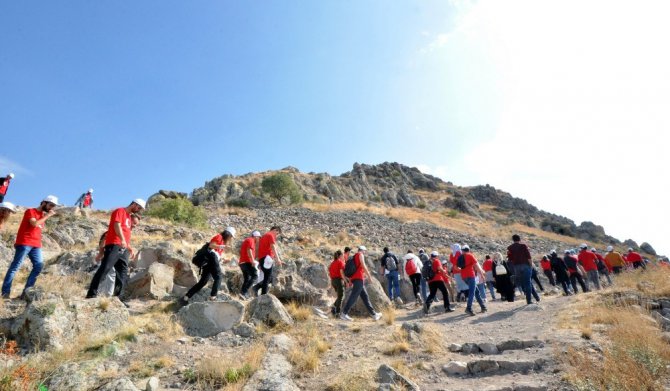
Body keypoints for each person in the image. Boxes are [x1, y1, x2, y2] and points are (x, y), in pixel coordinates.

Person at [85, 199, 146, 299]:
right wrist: (122, 240)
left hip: (124, 247)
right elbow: (116, 225)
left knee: (122, 273)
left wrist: (129, 247)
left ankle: (117, 298)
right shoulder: (120, 211)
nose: (138, 210)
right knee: (105, 268)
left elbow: (126, 233)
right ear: (134, 204)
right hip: (114, 244)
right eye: (138, 207)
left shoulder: (128, 217)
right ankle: (91, 294)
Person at [2, 195, 59, 299]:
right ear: (44, 203)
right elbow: (34, 224)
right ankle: (5, 293)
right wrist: (47, 216)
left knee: (38, 266)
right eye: (51, 205)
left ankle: (26, 293)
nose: (52, 208)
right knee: (15, 267)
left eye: (53, 206)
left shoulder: (42, 215)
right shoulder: (30, 211)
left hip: (36, 245)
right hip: (25, 242)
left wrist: (45, 216)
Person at [181, 227, 236, 303]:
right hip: (211, 258)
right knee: (218, 277)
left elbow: (217, 254)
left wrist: (223, 259)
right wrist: (222, 246)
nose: (231, 238)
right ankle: (213, 297)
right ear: (228, 234)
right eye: (231, 236)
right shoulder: (219, 237)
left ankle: (186, 297)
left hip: (211, 260)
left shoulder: (222, 241)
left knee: (203, 281)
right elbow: (211, 245)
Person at [96, 213, 141, 297]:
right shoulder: (115, 229)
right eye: (134, 223)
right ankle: (107, 297)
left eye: (136, 224)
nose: (134, 226)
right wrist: (100, 253)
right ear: (127, 220)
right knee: (111, 274)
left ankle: (117, 297)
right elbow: (103, 241)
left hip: (119, 256)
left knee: (119, 276)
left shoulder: (126, 232)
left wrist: (130, 249)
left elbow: (124, 242)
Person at [340, 246, 382, 321]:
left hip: (355, 279)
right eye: (365, 251)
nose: (365, 253)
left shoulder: (354, 256)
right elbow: (363, 265)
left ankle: (374, 314)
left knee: (365, 297)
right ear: (363, 250)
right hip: (358, 279)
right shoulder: (360, 254)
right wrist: (369, 276)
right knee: (354, 296)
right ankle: (344, 313)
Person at [507, 234, 540, 304]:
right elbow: (529, 256)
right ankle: (529, 300)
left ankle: (537, 297)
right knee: (528, 282)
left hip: (516, 267)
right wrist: (531, 265)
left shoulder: (510, 248)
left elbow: (510, 259)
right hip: (525, 266)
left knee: (526, 283)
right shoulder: (523, 246)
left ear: (513, 240)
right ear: (519, 239)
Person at [253, 226, 284, 295]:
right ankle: (263, 295)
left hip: (262, 259)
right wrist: (278, 259)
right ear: (275, 230)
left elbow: (258, 248)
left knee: (270, 278)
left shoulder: (264, 236)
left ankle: (256, 288)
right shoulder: (270, 235)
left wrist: (258, 260)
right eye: (277, 233)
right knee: (268, 278)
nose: (276, 235)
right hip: (267, 259)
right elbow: (273, 247)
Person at [459, 245, 487, 315]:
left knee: (476, 291)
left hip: (464, 277)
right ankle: (468, 308)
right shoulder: (470, 255)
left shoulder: (460, 257)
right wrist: (482, 275)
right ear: (468, 249)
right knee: (472, 292)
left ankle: (483, 306)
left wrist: (463, 270)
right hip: (470, 276)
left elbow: (456, 268)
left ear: (462, 250)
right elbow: (476, 266)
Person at [238, 230, 261, 300]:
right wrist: (253, 261)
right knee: (255, 276)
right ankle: (243, 292)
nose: (259, 239)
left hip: (242, 263)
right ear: (256, 236)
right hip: (247, 262)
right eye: (259, 237)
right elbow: (249, 250)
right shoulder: (250, 240)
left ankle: (242, 294)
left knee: (247, 279)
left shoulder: (247, 240)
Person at [329, 250, 347, 316]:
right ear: (340, 256)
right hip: (339, 281)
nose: (343, 256)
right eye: (342, 255)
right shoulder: (340, 262)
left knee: (340, 296)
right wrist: (346, 281)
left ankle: (334, 307)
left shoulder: (332, 263)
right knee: (341, 296)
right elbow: (342, 273)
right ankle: (337, 312)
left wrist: (331, 285)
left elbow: (330, 274)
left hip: (333, 281)